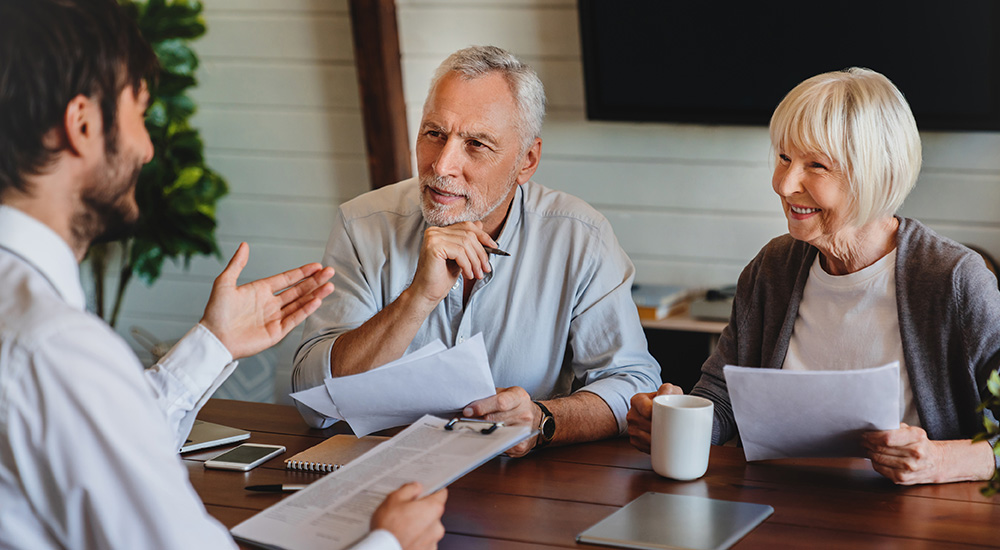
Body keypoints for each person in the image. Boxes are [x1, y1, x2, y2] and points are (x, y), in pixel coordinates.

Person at [0, 1, 446, 548]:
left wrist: (214, 342)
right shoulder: (55, 350)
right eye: (139, 114)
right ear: (83, 125)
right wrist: (389, 543)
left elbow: (105, 443)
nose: (147, 148)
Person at [627, 68, 1000, 485]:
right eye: (784, 158)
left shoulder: (955, 280)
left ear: (876, 175)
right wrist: (675, 421)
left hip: (913, 512)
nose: (784, 184)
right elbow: (724, 397)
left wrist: (941, 461)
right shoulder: (772, 268)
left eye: (816, 165)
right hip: (774, 502)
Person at [293, 45, 660, 457]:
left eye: (476, 144)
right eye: (434, 134)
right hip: (383, 468)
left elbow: (634, 384)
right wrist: (417, 298)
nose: (442, 166)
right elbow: (313, 402)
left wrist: (542, 420)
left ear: (527, 161)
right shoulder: (362, 224)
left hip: (519, 479)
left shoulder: (580, 237)